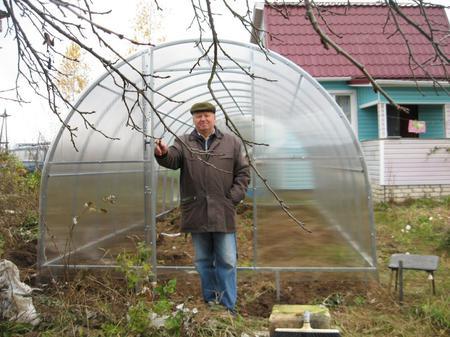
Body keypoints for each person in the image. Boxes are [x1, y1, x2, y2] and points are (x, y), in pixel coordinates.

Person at [154, 101, 250, 314]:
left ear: (214, 118)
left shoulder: (231, 143)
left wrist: (232, 198)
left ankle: (227, 307)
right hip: (196, 212)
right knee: (204, 261)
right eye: (198, 116)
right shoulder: (184, 142)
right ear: (193, 119)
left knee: (227, 260)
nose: (203, 119)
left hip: (223, 212)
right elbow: (172, 159)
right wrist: (162, 153)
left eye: (206, 115)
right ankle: (210, 303)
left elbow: (243, 173)